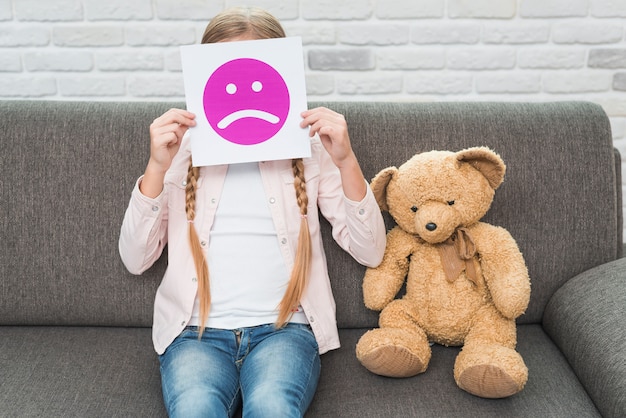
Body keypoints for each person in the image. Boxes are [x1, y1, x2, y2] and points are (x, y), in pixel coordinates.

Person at [119, 7, 386, 418]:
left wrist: (347, 161)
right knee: (193, 408)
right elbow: (136, 259)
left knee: (273, 406)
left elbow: (371, 251)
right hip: (194, 334)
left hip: (286, 331)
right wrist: (156, 167)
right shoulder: (181, 151)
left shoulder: (310, 150)